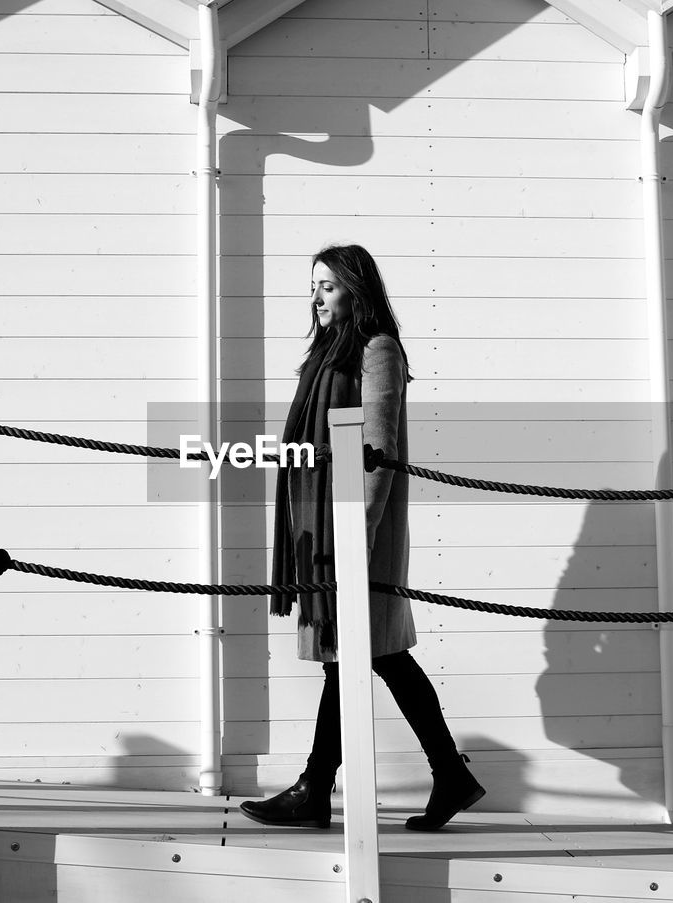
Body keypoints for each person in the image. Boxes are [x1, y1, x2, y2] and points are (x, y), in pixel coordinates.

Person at [239, 244, 484, 832]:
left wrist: (356, 537)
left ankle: (315, 790)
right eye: (313, 286)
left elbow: (377, 453)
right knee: (372, 658)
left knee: (358, 657)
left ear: (356, 289)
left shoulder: (377, 351)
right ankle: (443, 776)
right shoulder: (331, 352)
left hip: (354, 532)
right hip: (326, 525)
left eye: (327, 286)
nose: (316, 297)